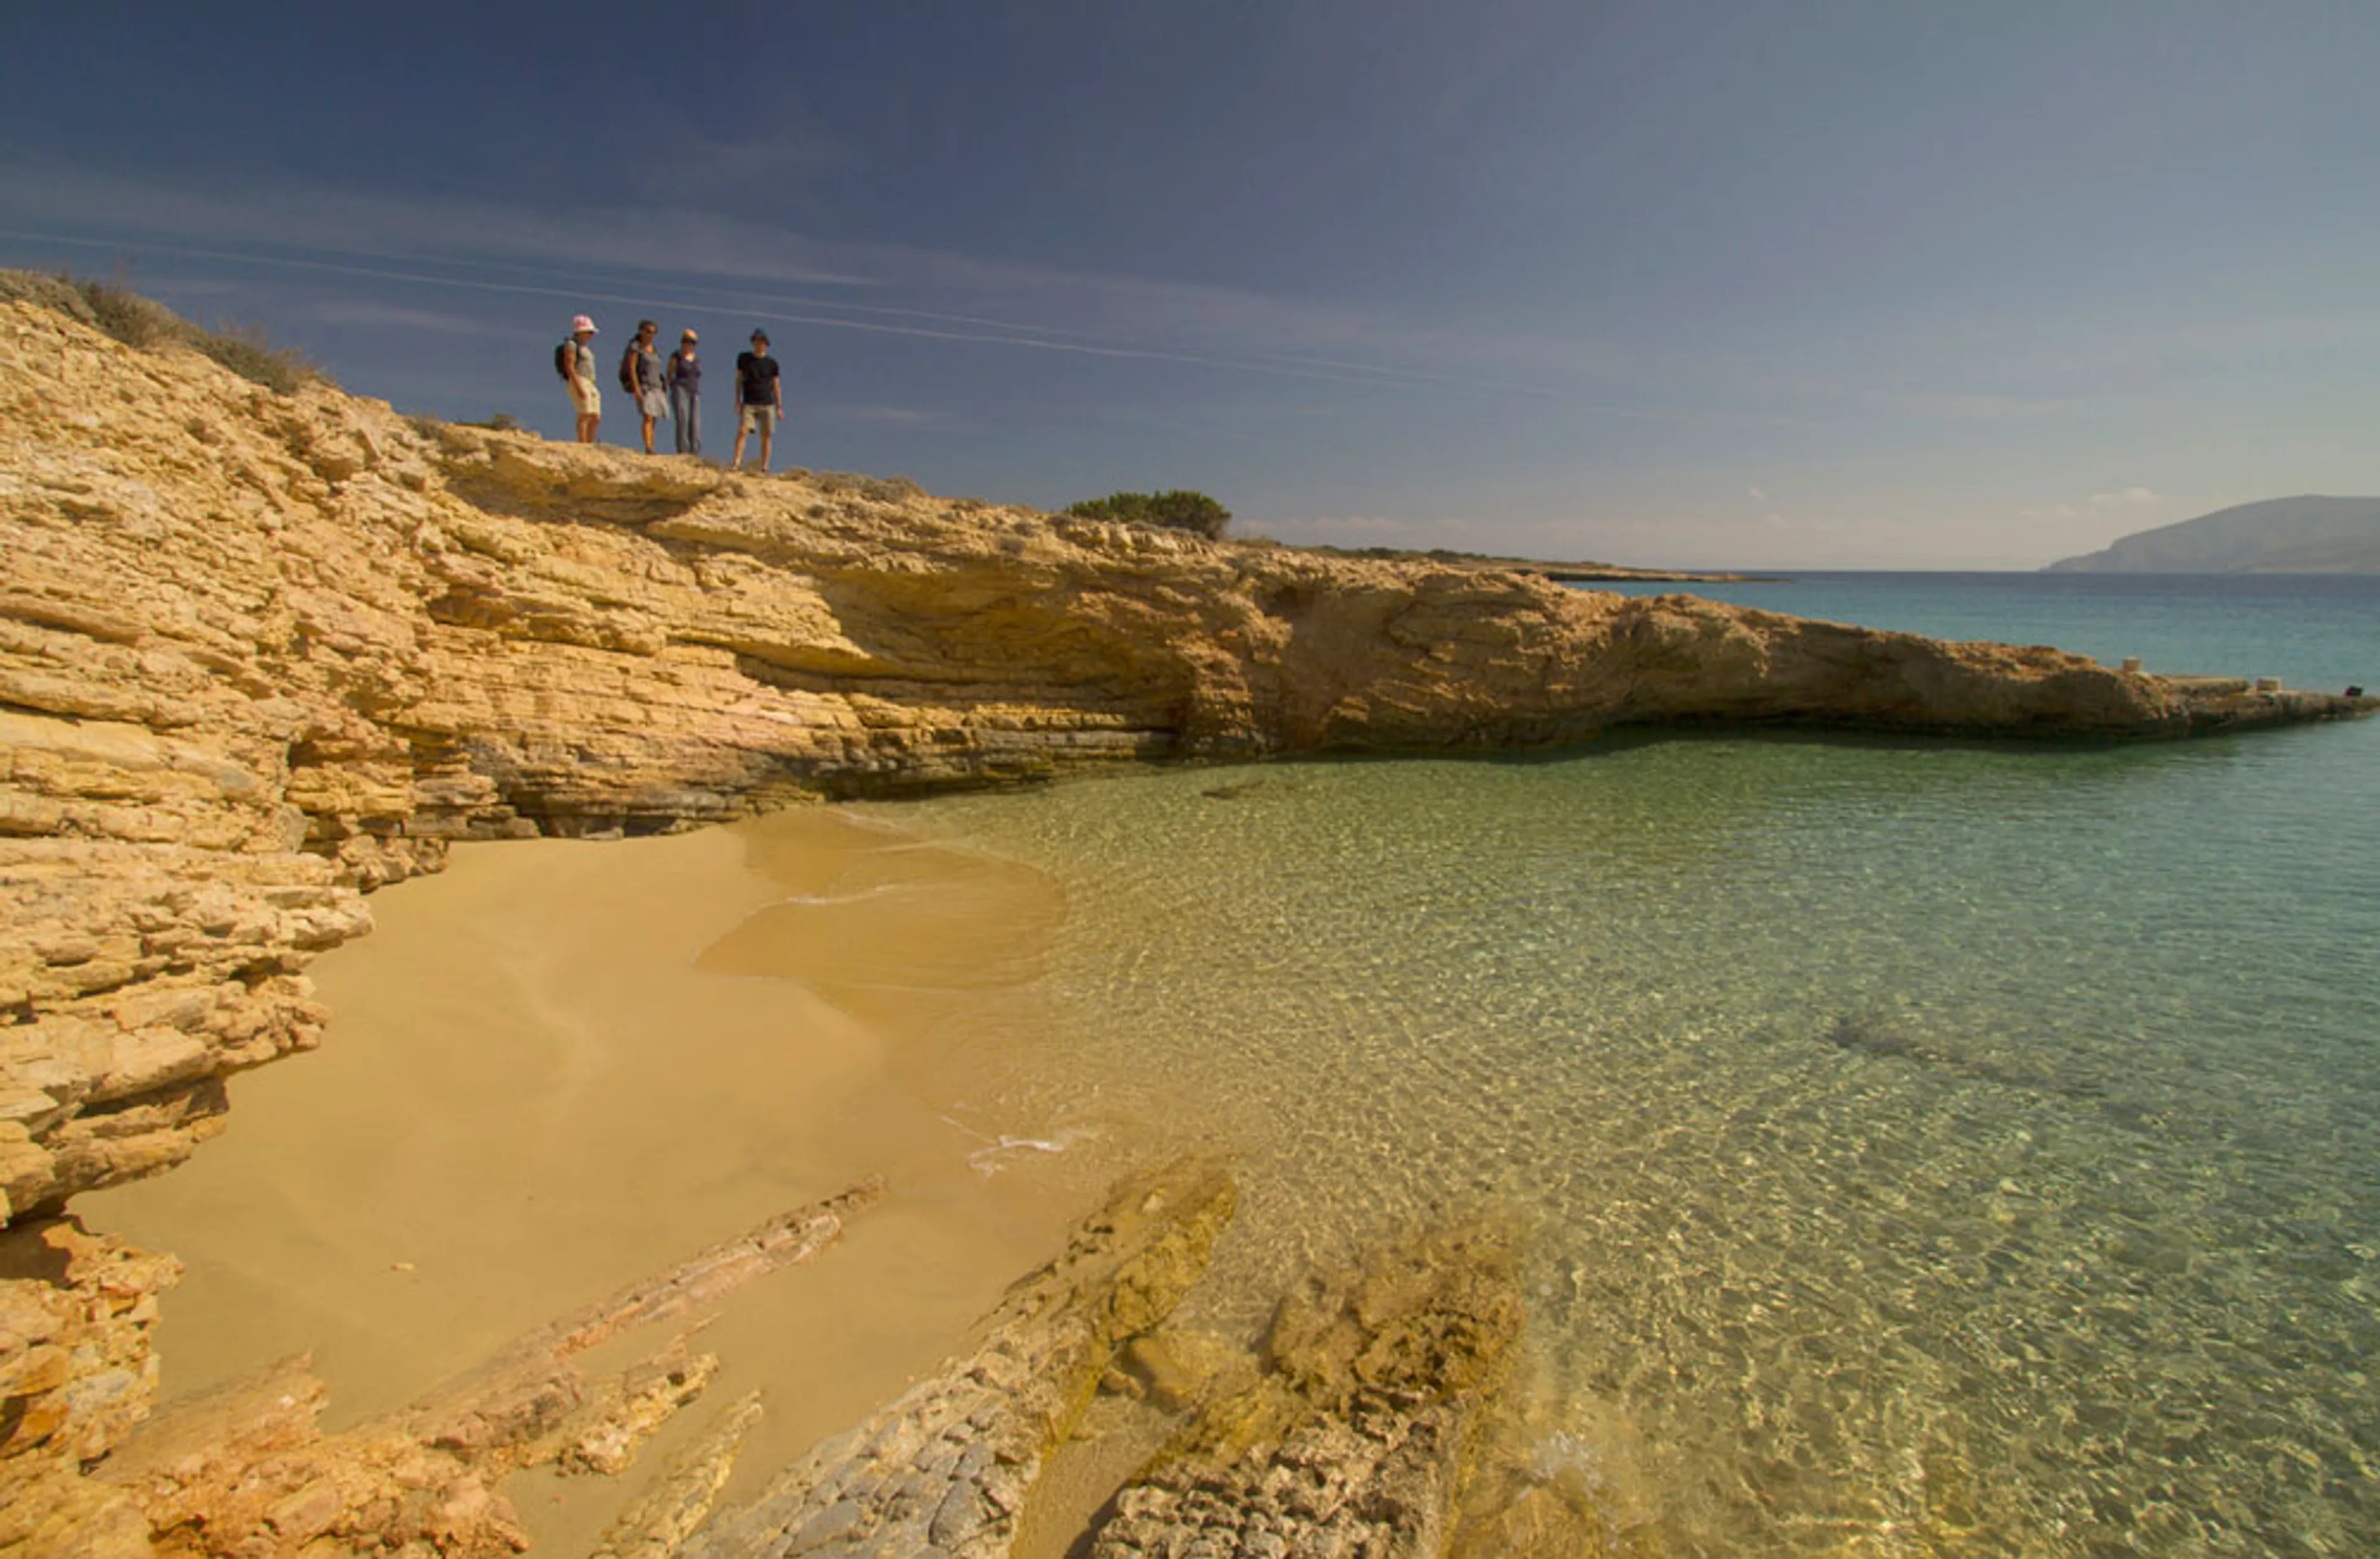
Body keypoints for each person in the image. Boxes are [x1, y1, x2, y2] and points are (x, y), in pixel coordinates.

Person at [732, 329, 783, 472]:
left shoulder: (771, 363)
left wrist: (779, 407)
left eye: (761, 342)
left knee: (766, 435)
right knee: (743, 431)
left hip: (767, 403)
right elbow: (738, 380)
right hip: (749, 402)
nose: (758, 344)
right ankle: (736, 463)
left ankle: (764, 467)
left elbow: (776, 385)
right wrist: (737, 401)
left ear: (766, 344)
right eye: (756, 341)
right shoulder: (744, 359)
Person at [625, 320, 667, 454]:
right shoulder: (636, 348)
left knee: (654, 417)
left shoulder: (654, 350)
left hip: (657, 387)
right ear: (641, 331)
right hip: (645, 386)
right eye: (649, 331)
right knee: (648, 416)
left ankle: (652, 445)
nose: (651, 335)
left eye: (654, 332)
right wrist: (636, 388)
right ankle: (648, 447)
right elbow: (631, 368)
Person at [560, 315, 600, 443]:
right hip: (580, 379)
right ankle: (582, 444)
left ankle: (590, 442)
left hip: (590, 381)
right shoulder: (571, 345)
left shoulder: (585, 348)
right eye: (589, 332)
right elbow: (570, 366)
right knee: (584, 414)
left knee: (595, 416)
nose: (591, 335)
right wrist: (578, 386)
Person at [663, 329, 702, 456]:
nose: (689, 345)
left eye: (693, 342)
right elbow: (669, 373)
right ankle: (683, 451)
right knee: (683, 420)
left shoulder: (696, 359)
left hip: (695, 392)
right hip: (680, 389)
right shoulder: (677, 356)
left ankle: (695, 451)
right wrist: (673, 387)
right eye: (687, 341)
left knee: (695, 423)